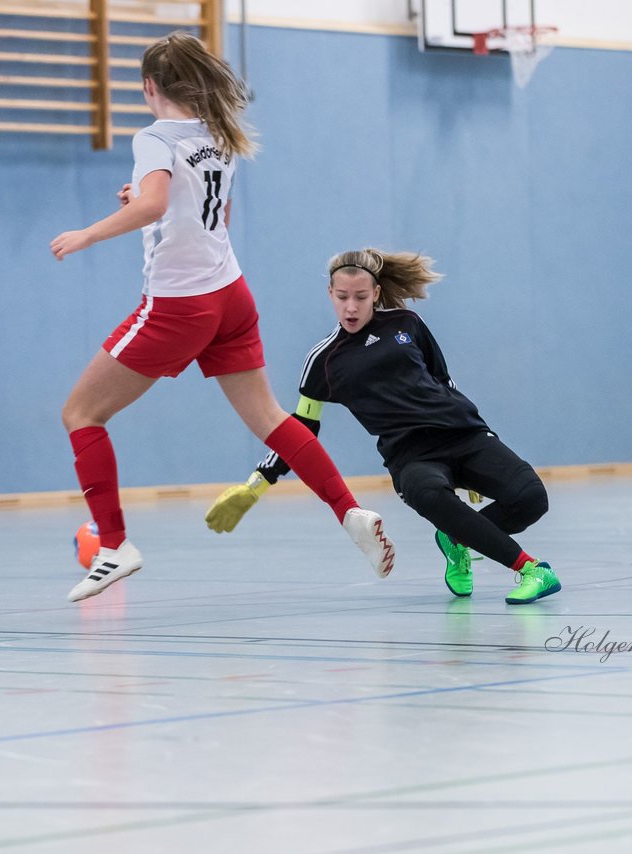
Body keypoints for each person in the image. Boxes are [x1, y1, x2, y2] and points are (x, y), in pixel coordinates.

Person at [50, 34, 395, 603]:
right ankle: (349, 511)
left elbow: (159, 204)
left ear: (149, 87)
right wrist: (140, 202)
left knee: (81, 412)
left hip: (180, 305)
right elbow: (206, 214)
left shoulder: (154, 136)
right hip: (230, 295)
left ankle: (113, 545)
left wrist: (88, 233)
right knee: (268, 416)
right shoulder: (218, 137)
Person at [205, 248, 560, 604]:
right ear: (330, 294)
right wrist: (258, 482)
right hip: (411, 456)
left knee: (531, 499)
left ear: (375, 293)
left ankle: (454, 538)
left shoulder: (407, 323)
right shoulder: (323, 361)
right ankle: (531, 569)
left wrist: (485, 440)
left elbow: (444, 384)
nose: (351, 307)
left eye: (360, 297)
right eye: (342, 297)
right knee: (428, 494)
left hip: (464, 435)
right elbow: (300, 428)